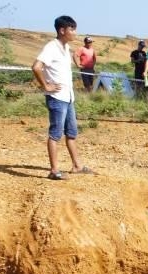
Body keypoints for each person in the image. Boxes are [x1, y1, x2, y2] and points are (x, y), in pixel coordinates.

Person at [31, 15, 93, 180]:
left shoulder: (65, 48)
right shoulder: (51, 47)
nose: (74, 32)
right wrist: (46, 86)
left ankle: (77, 166)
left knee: (71, 133)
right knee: (55, 134)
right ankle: (54, 171)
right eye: (72, 29)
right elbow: (36, 67)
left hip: (68, 97)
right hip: (57, 98)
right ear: (62, 30)